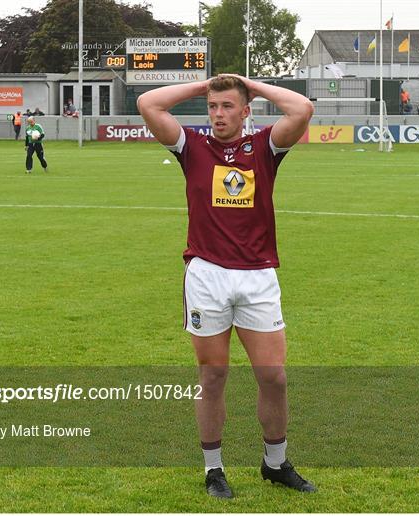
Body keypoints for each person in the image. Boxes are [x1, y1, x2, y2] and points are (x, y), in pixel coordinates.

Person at [137, 75, 315, 499]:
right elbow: (148, 103)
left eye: (228, 106)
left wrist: (250, 84)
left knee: (274, 377)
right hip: (207, 275)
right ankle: (214, 470)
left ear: (246, 110)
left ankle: (275, 463)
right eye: (213, 107)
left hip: (257, 276)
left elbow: (302, 110)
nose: (218, 114)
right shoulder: (191, 147)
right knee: (212, 376)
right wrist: (204, 86)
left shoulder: (267, 147)